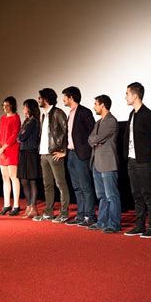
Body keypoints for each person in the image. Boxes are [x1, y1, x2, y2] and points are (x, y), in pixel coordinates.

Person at [122, 82, 151, 239]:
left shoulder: (148, 114)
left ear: (135, 95)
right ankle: (139, 225)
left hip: (144, 161)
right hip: (132, 160)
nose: (125, 97)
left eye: (127, 94)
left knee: (147, 194)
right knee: (136, 194)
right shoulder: (132, 114)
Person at [32, 88, 71, 223]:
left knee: (60, 183)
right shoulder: (43, 115)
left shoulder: (58, 113)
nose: (38, 99)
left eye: (40, 97)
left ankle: (64, 213)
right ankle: (48, 212)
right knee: (47, 185)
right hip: (43, 154)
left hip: (54, 154)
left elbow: (67, 131)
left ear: (46, 99)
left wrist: (64, 151)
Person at [61, 86, 97, 227]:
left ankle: (90, 216)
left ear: (71, 97)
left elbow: (92, 132)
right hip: (71, 154)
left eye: (64, 96)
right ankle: (81, 215)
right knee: (76, 187)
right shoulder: (70, 113)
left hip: (81, 155)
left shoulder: (84, 112)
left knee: (85, 186)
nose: (63, 99)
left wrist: (85, 149)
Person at [87, 95, 121, 234]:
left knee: (111, 195)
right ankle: (102, 221)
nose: (94, 106)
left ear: (103, 105)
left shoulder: (111, 121)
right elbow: (90, 139)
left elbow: (98, 138)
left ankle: (114, 224)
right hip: (96, 162)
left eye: (95, 103)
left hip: (108, 162)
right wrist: (96, 140)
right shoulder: (98, 122)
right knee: (101, 195)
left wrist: (96, 140)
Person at [0, 96, 21, 216]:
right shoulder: (2, 118)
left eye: (7, 105)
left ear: (12, 106)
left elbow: (14, 135)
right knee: (5, 178)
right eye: (3, 105)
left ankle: (16, 205)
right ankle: (6, 205)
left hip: (11, 149)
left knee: (13, 177)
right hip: (2, 151)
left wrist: (3, 148)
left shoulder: (16, 117)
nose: (5, 107)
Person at [17, 99, 41, 218]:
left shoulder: (33, 121)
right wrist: (20, 136)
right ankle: (28, 206)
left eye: (25, 106)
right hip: (23, 152)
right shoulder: (26, 121)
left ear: (30, 108)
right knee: (24, 180)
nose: (23, 108)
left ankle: (33, 207)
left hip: (31, 152)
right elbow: (19, 136)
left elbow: (22, 136)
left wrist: (21, 136)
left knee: (32, 180)